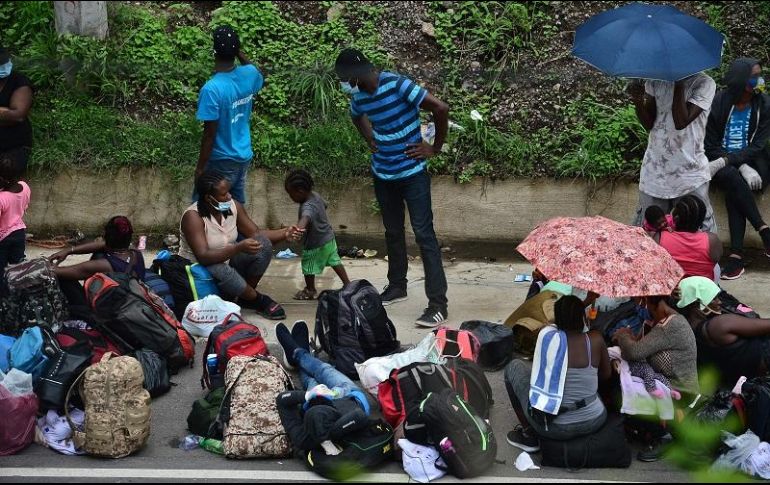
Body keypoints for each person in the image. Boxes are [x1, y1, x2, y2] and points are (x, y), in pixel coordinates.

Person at [335, 48, 450, 328]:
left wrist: (433, 148)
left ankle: (438, 304)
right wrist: (370, 139)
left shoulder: (398, 85)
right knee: (393, 231)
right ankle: (397, 285)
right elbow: (355, 116)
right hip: (383, 175)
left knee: (424, 235)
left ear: (358, 75)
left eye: (347, 79)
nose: (346, 85)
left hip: (412, 174)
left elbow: (440, 108)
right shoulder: (359, 95)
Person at [179, 170, 298, 320]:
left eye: (229, 192)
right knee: (220, 268)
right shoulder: (193, 216)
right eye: (224, 194)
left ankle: (244, 296)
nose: (229, 196)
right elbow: (203, 256)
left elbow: (256, 233)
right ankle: (258, 300)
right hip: (199, 271)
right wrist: (237, 248)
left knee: (263, 245)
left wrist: (285, 233)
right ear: (209, 198)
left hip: (227, 265)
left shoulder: (232, 207)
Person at [504, 295, 611, 453]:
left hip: (554, 428)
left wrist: (584, 302)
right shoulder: (595, 340)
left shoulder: (547, 338)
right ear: (583, 317)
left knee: (513, 367)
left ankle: (529, 436)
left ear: (558, 319)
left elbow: (540, 377)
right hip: (594, 420)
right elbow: (606, 376)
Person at [612, 294, 700, 462]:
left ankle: (664, 435)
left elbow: (634, 352)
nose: (639, 306)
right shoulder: (659, 322)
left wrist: (623, 336)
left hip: (680, 391)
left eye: (640, 301)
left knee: (623, 388)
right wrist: (631, 338)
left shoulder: (670, 325)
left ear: (648, 302)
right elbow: (639, 348)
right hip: (664, 381)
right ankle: (645, 427)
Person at [705, 58, 770, 280]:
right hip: (718, 162)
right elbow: (710, 145)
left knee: (735, 184)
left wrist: (743, 165)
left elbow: (758, 145)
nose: (760, 80)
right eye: (755, 76)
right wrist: (736, 164)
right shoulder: (720, 102)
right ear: (742, 81)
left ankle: (736, 255)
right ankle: (762, 229)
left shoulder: (764, 104)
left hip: (753, 163)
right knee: (732, 177)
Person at [628, 72, 717, 232]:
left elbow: (681, 121)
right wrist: (638, 101)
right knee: (652, 235)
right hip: (655, 173)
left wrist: (679, 83)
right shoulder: (655, 79)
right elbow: (649, 123)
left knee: (697, 234)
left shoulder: (704, 83)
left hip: (689, 176)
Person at [275, 320, 371, 456]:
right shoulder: (342, 425)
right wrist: (326, 440)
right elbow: (359, 415)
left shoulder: (304, 440)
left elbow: (282, 400)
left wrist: (308, 395)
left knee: (310, 379)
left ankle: (297, 354)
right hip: (348, 394)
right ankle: (300, 353)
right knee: (325, 370)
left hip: (314, 398)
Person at [194, 26, 264, 205]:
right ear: (236, 50)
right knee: (235, 210)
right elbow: (256, 71)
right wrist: (237, 51)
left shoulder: (212, 89)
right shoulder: (249, 74)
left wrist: (200, 169)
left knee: (202, 208)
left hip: (220, 160)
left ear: (214, 51)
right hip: (243, 156)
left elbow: (209, 134)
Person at [678, 276, 770, 387]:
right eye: (713, 299)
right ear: (697, 305)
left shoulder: (687, 329)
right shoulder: (720, 325)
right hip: (761, 365)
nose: (719, 302)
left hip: (738, 378)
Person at [51, 216, 146, 313]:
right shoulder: (135, 251)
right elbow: (102, 245)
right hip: (130, 303)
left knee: (62, 277)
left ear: (106, 237)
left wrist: (43, 263)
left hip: (110, 315)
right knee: (99, 253)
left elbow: (54, 271)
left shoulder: (104, 265)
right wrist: (69, 251)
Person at [284, 169, 350, 300]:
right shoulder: (315, 195)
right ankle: (348, 285)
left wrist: (297, 231)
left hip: (316, 243)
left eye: (291, 194)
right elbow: (325, 205)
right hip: (329, 237)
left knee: (308, 266)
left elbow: (305, 217)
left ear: (300, 192)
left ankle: (310, 289)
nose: (290, 197)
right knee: (335, 260)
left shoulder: (307, 206)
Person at [654, 195, 722, 281]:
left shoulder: (659, 238)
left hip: (672, 290)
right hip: (702, 290)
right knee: (716, 267)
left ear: (675, 218)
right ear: (701, 219)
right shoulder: (712, 240)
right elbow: (717, 258)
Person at [0, 48, 33, 177]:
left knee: (7, 171)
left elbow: (17, 116)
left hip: (14, 147)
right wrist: (5, 111)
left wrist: (11, 113)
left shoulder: (19, 81)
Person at [0, 156, 29, 294]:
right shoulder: (25, 187)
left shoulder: (2, 198)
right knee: (17, 269)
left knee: (1, 271)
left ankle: (3, 298)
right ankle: (19, 295)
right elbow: (25, 205)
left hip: (3, 238)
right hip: (19, 233)